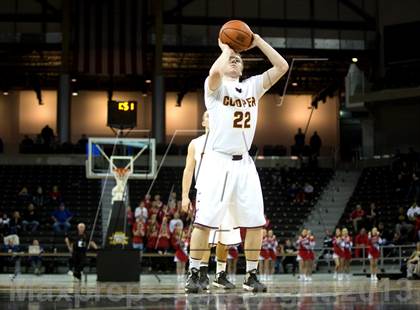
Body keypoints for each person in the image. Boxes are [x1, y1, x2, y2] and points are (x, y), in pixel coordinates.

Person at [182, 29, 288, 294]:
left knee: (255, 222)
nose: (235, 60)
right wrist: (226, 50)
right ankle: (195, 272)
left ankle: (251, 275)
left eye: (239, 59)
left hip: (245, 163)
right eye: (232, 58)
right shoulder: (214, 88)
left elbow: (282, 66)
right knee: (204, 221)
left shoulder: (253, 86)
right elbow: (215, 74)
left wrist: (258, 41)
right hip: (218, 162)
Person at [181, 111, 241, 291]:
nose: (212, 117)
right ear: (203, 121)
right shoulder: (196, 144)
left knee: (225, 236)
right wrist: (184, 196)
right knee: (205, 233)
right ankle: (201, 272)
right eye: (207, 115)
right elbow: (188, 170)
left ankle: (220, 274)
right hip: (206, 192)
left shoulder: (228, 142)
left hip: (227, 193)